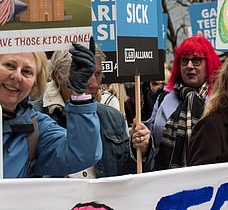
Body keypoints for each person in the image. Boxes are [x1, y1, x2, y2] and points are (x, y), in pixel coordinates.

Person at [33, 48, 150, 177]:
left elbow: (126, 174)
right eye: (85, 75)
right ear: (59, 76)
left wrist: (140, 149)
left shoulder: (112, 117)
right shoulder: (34, 118)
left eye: (98, 74)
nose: (94, 84)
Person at [1, 45, 102, 178]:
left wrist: (79, 94)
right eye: (10, 65)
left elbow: (83, 154)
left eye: (27, 72)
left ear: (34, 84)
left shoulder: (36, 128)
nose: (17, 76)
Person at [140, 34, 222, 170]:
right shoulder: (163, 98)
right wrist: (144, 144)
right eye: (185, 60)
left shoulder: (220, 100)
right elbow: (153, 143)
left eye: (196, 60)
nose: (189, 66)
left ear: (208, 64)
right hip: (168, 180)